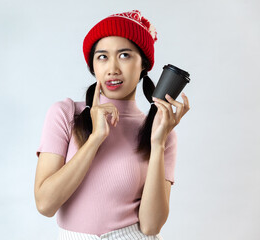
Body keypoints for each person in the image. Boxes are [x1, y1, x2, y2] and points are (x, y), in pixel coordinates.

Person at [34, 10, 190, 240]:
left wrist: (158, 143)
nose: (113, 68)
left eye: (125, 55)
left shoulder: (160, 130)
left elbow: (151, 226)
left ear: (143, 65)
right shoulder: (65, 114)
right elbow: (45, 204)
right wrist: (95, 138)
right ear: (93, 65)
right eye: (102, 56)